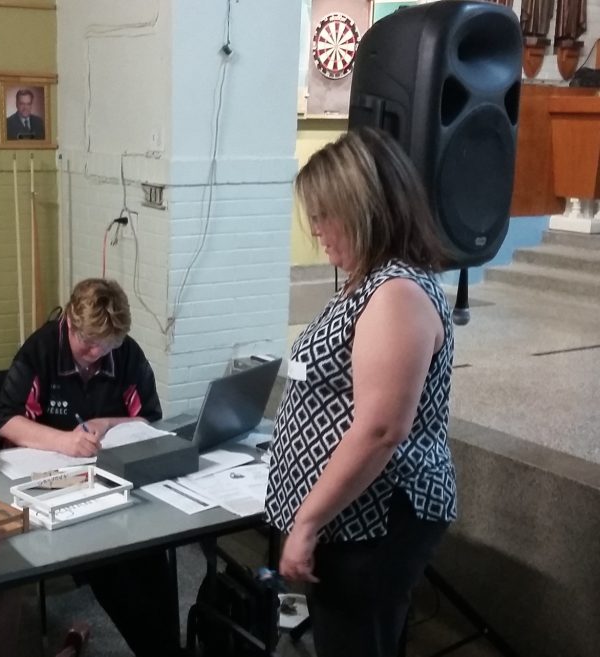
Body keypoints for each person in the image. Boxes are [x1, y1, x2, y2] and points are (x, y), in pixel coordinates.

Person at [266, 128, 457, 657]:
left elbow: (379, 429)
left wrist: (307, 522)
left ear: (364, 208)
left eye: (325, 214)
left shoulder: (396, 292)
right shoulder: (368, 281)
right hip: (349, 519)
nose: (315, 229)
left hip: (374, 522)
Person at [0, 278, 180, 657]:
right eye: (88, 344)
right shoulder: (42, 349)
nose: (95, 353)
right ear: (70, 326)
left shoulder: (125, 353)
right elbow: (4, 419)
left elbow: (149, 419)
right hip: (48, 482)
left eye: (106, 346)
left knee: (152, 556)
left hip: (112, 477)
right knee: (111, 563)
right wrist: (63, 441)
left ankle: (166, 648)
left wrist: (107, 424)